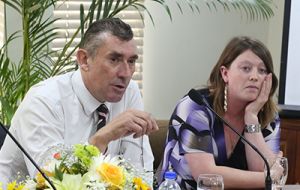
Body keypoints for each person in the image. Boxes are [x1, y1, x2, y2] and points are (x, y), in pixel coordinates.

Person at [0, 18, 158, 185]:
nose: (126, 73)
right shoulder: (43, 100)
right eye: (114, 59)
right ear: (84, 60)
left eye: (131, 61)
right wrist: (101, 139)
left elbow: (139, 170)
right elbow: (52, 181)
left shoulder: (129, 91)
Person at [160, 36, 281, 189]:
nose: (254, 76)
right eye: (246, 68)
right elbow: (205, 176)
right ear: (225, 74)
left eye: (262, 70)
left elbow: (259, 171)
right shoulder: (195, 106)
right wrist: (269, 177)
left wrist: (251, 118)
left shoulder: (267, 115)